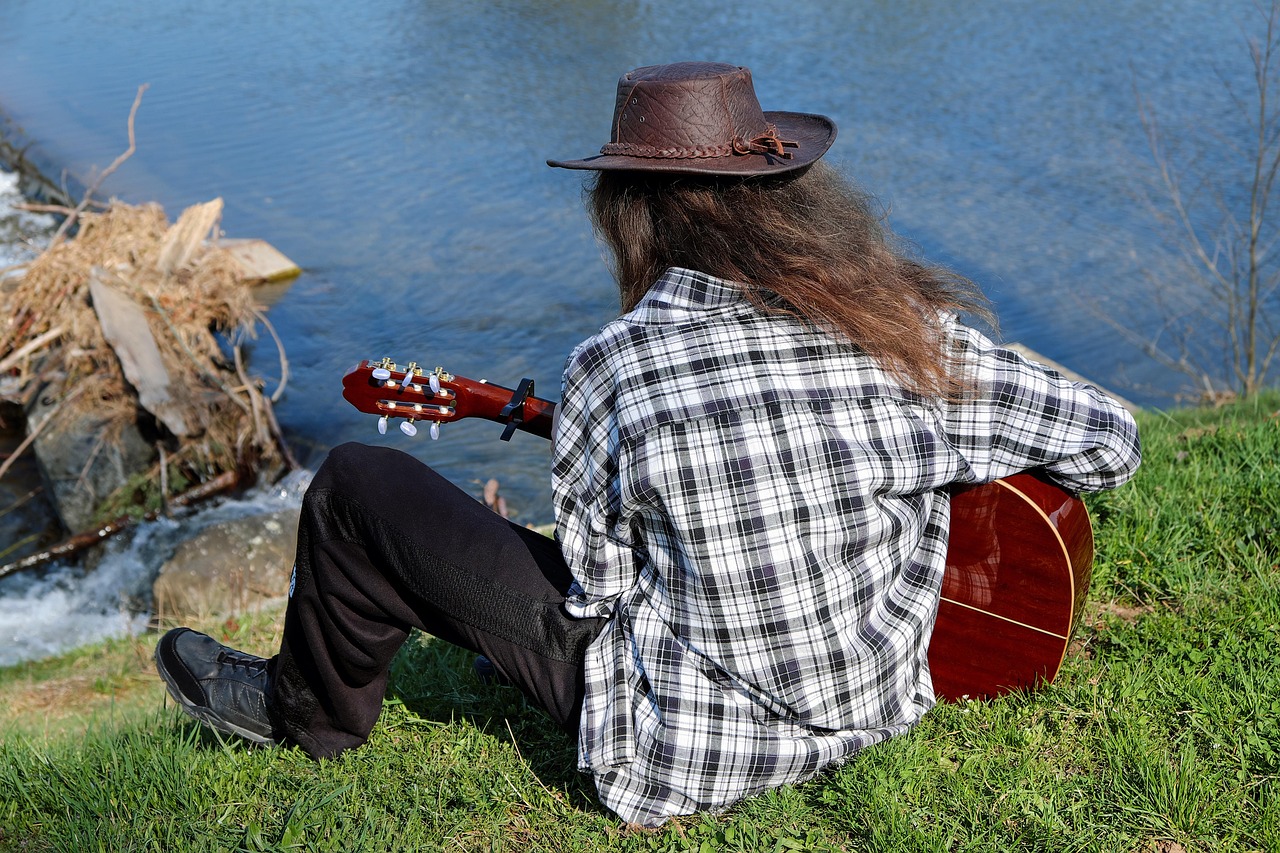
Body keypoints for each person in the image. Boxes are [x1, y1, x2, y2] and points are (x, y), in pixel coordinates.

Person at [155, 62, 1141, 827]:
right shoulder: (906, 337)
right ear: (795, 197)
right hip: (876, 704)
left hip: (687, 756)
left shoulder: (616, 367)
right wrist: (925, 491)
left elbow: (599, 591)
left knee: (355, 481)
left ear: (629, 216)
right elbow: (1111, 440)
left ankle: (300, 712)